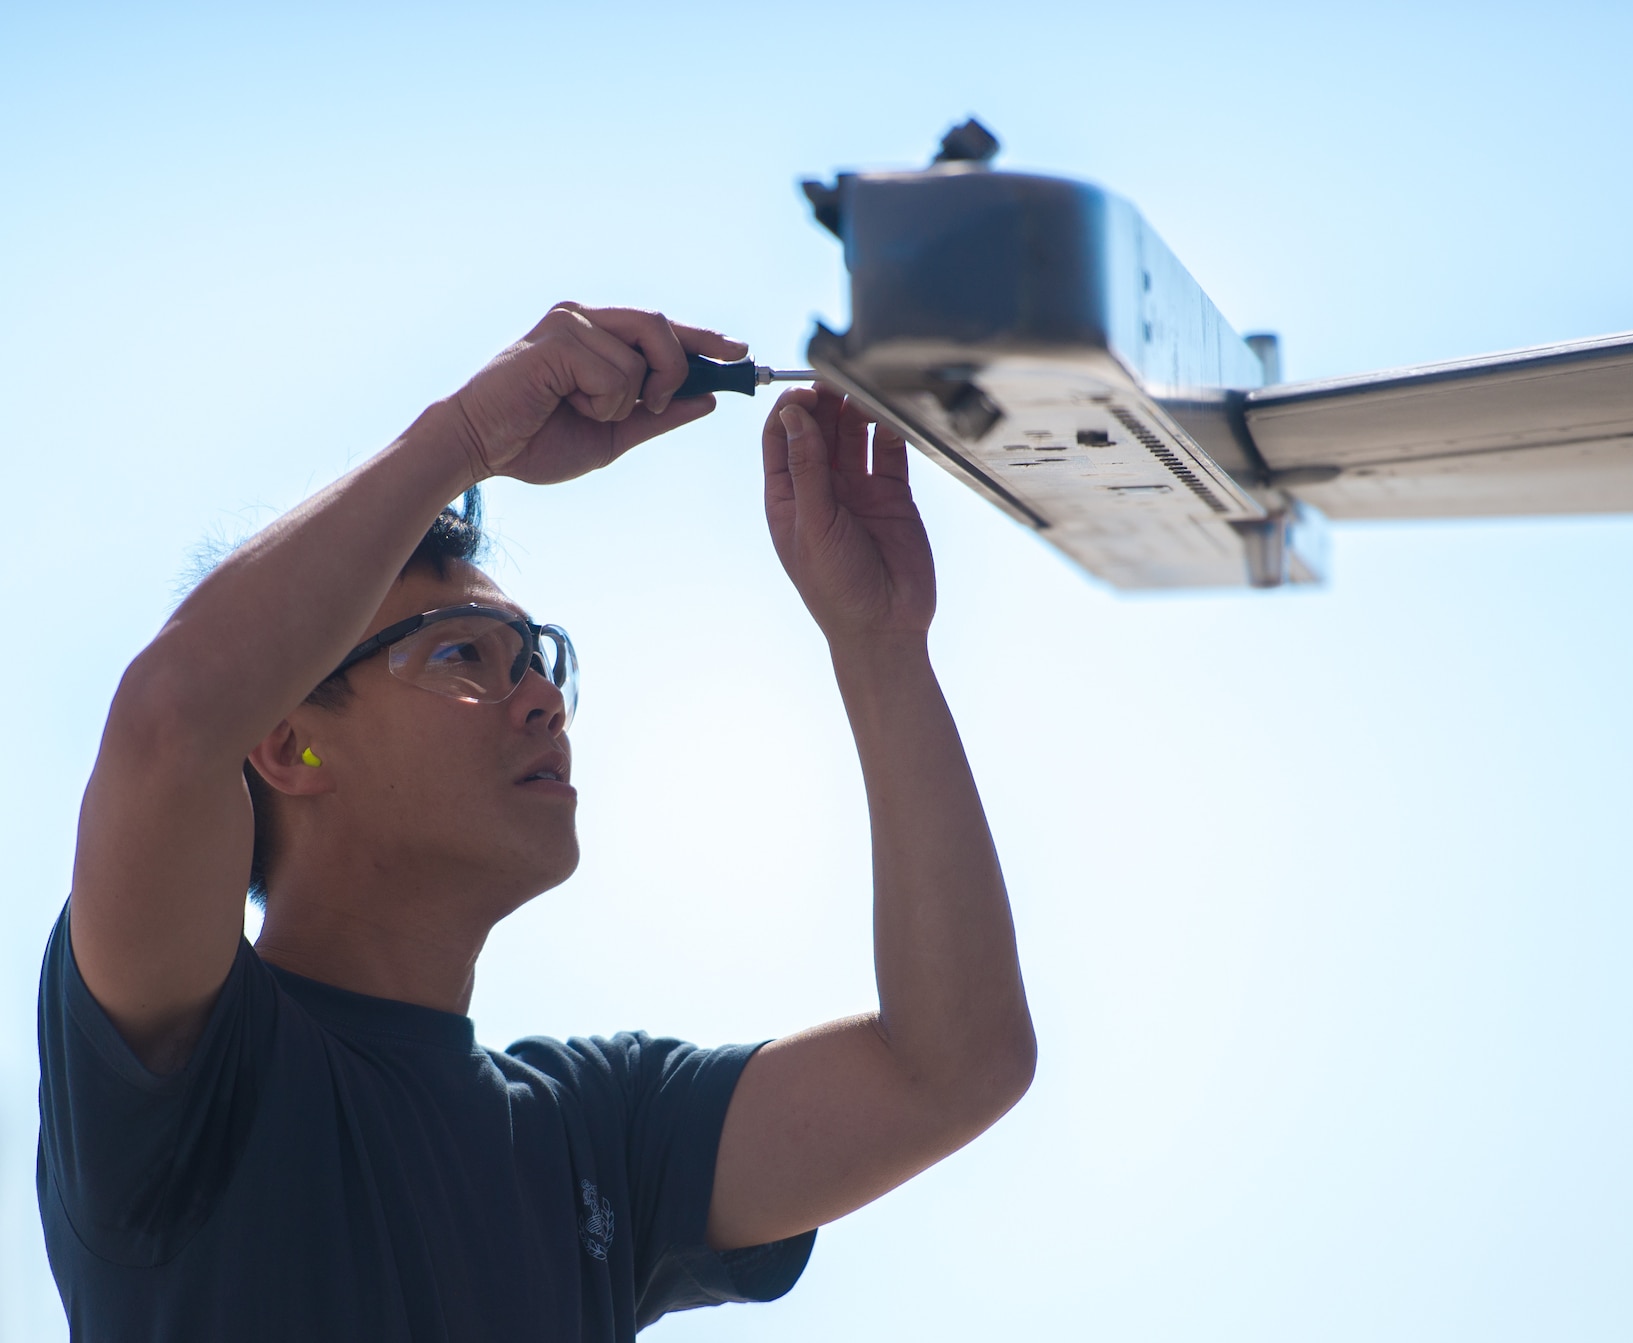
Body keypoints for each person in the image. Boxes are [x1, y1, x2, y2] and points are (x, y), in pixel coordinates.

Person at [39, 304, 1036, 1339]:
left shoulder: (597, 1132)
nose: (540, 698)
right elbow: (172, 724)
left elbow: (952, 1066)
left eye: (537, 655)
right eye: (461, 653)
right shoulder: (186, 1065)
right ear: (290, 747)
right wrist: (462, 436)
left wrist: (881, 645)